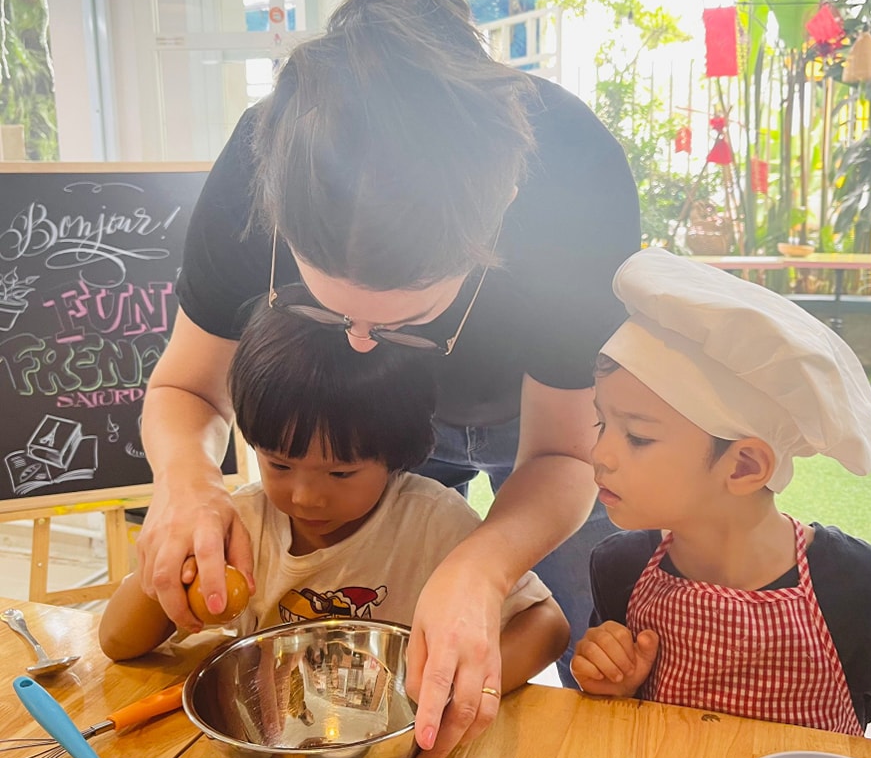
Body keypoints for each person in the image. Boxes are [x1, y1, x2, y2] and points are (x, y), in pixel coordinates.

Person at [136, 0, 639, 758]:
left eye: (402, 319)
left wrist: (482, 566)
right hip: (374, 426)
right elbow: (185, 387)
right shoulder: (256, 163)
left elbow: (565, 453)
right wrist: (185, 479)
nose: (360, 340)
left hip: (548, 425)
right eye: (327, 310)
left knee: (589, 626)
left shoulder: (572, 181)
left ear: (499, 210)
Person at [101, 301, 570, 730]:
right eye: (279, 465)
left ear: (396, 454)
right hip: (277, 741)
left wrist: (445, 695)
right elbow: (117, 642)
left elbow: (546, 627)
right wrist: (172, 571)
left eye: (340, 473)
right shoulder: (241, 525)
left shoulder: (432, 522)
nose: (305, 497)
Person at [572, 249, 871, 757]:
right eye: (602, 423)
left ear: (744, 467)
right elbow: (621, 724)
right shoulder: (619, 566)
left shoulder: (863, 588)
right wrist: (612, 683)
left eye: (637, 436)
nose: (598, 453)